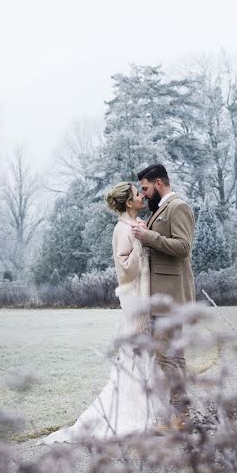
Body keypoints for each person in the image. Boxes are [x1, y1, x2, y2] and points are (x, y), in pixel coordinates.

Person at [40, 182, 167, 443]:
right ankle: (133, 413)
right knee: (136, 354)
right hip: (134, 299)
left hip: (145, 295)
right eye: (137, 194)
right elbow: (125, 268)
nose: (142, 196)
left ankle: (150, 410)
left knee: (147, 354)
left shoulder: (136, 224)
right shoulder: (123, 230)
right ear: (129, 203)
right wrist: (141, 245)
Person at [132, 163, 195, 431]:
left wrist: (149, 236)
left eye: (145, 188)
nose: (143, 194)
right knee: (174, 355)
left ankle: (179, 415)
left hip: (170, 296)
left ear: (159, 183)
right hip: (162, 296)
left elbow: (183, 247)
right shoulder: (161, 210)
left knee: (166, 356)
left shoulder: (178, 206)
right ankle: (180, 416)